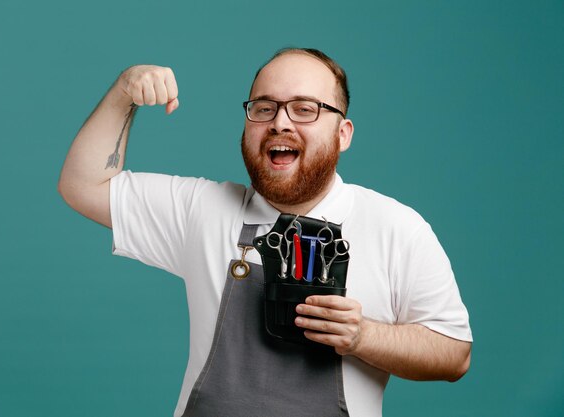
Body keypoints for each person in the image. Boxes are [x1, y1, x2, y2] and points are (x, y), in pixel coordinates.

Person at [58, 48, 472, 417]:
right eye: (264, 107)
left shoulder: (396, 228)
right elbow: (82, 186)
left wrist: (363, 336)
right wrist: (123, 92)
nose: (280, 123)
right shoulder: (202, 210)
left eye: (305, 108)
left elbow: (453, 355)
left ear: (342, 134)